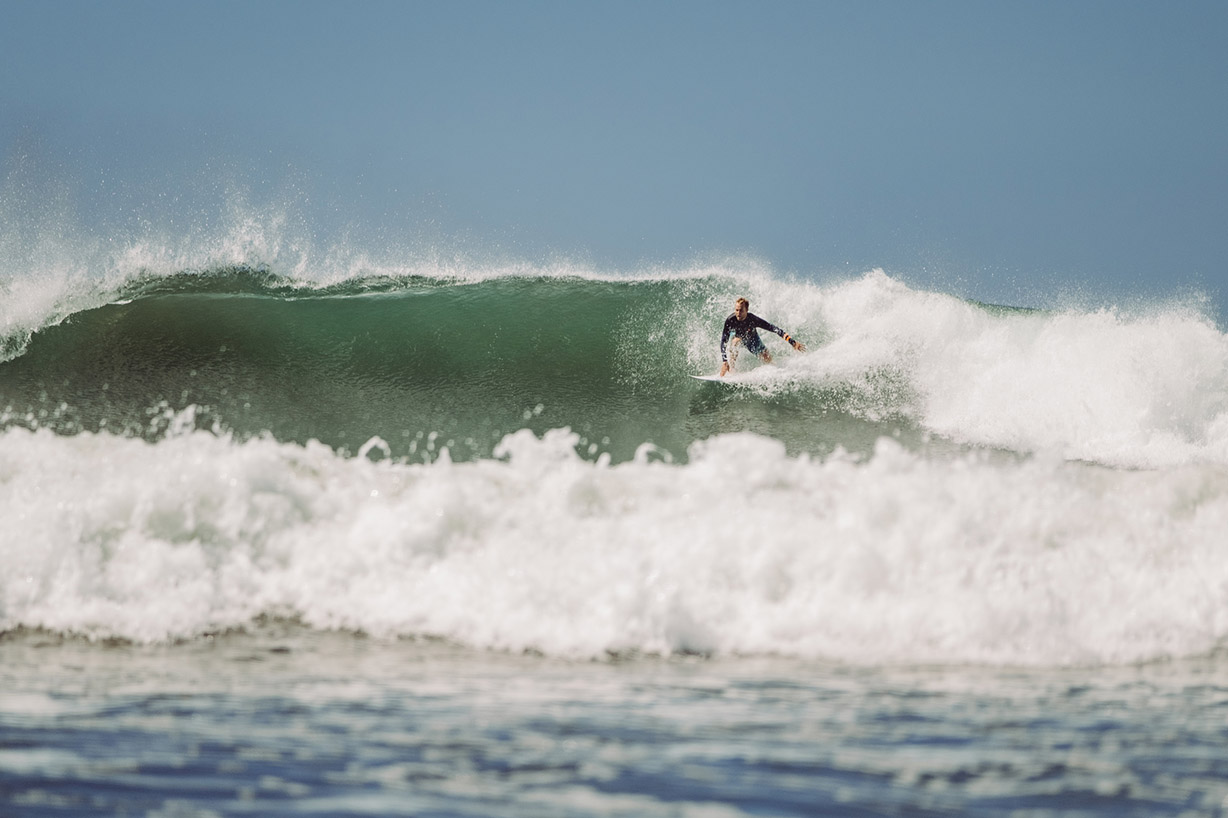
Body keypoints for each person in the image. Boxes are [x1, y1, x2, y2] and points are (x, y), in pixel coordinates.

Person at [718, 297, 805, 376]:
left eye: (741, 310)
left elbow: (774, 329)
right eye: (736, 310)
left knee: (768, 358)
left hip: (751, 339)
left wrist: (792, 342)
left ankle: (777, 372)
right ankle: (730, 370)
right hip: (737, 337)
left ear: (747, 310)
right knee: (735, 342)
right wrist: (724, 360)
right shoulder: (730, 320)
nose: (738, 313)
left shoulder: (753, 319)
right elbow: (723, 341)